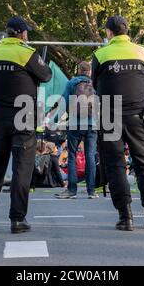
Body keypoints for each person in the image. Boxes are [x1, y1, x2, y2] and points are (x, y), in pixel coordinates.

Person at [92, 15, 144, 231]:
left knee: (115, 165)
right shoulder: (142, 52)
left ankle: (125, 217)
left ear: (109, 32)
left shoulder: (100, 54)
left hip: (110, 114)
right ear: (127, 30)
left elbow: (96, 84)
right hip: (137, 114)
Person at [0, 17, 52, 233]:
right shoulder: (25, 52)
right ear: (21, 34)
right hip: (23, 116)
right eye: (26, 32)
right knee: (22, 168)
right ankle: (17, 219)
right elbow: (46, 75)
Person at [55, 61, 98, 199]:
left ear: (79, 70)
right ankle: (91, 191)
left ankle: (72, 190)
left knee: (72, 155)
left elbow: (63, 103)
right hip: (92, 124)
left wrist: (54, 120)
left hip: (75, 123)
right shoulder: (95, 82)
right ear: (89, 71)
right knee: (90, 156)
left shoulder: (72, 83)